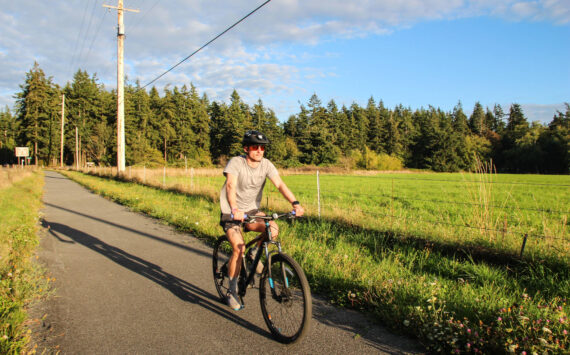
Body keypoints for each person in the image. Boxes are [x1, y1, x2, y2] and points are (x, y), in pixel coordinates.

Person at [219, 130, 305, 310]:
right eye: (254, 147)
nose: (259, 150)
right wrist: (234, 209)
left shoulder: (266, 165)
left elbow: (280, 184)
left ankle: (254, 253)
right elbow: (230, 185)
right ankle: (232, 291)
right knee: (238, 248)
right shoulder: (236, 162)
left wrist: (295, 204)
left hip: (251, 210)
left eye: (262, 147)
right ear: (246, 148)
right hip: (231, 211)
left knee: (272, 228)